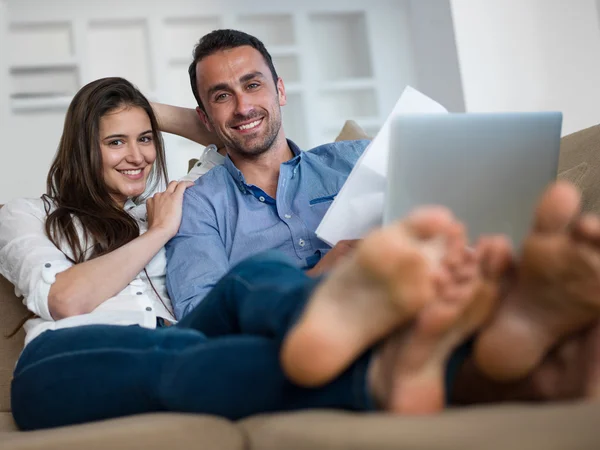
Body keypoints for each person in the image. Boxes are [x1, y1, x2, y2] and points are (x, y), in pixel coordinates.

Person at [0, 75, 516, 431]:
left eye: (145, 139)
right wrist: (155, 234)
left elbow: (232, 129)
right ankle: (419, 365)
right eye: (115, 142)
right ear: (81, 146)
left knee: (259, 274)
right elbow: (66, 300)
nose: (137, 156)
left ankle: (352, 327)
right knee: (192, 363)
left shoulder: (180, 199)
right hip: (66, 358)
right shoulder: (28, 215)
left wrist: (134, 105)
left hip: (183, 334)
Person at [165, 29, 368, 318]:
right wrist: (312, 282)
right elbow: (200, 316)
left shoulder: (354, 159)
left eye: (252, 85)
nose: (243, 107)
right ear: (205, 118)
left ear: (280, 91)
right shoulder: (198, 206)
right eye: (222, 96)